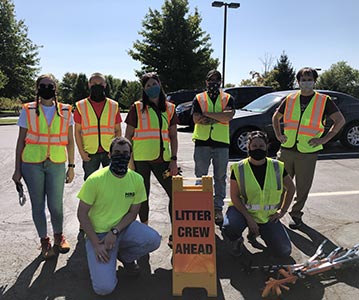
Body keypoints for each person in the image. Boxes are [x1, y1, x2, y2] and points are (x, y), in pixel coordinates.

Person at [77, 137, 161, 296]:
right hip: (98, 235)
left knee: (154, 239)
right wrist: (96, 243)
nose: (121, 156)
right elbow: (81, 213)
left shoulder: (136, 179)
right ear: (109, 155)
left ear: (130, 155)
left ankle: (125, 256)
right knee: (103, 289)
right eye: (116, 152)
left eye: (125, 153)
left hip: (122, 228)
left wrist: (115, 232)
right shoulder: (95, 179)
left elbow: (133, 213)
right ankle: (101, 260)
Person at [272, 67, 345, 229]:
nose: (306, 82)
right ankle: (275, 213)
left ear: (314, 81)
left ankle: (296, 215)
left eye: (309, 79)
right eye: (303, 80)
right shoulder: (290, 99)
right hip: (287, 149)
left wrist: (324, 139)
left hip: (308, 151)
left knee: (303, 187)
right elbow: (275, 118)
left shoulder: (324, 100)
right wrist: (278, 135)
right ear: (298, 82)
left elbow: (340, 121)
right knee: (279, 184)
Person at [12, 74, 75, 259]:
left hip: (56, 162)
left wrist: (71, 166)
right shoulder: (28, 110)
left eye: (50, 85)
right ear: (37, 88)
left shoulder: (65, 111)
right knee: (38, 205)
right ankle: (44, 241)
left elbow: (70, 141)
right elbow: (20, 141)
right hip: (31, 164)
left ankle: (59, 236)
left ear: (56, 88)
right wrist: (17, 170)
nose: (47, 88)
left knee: (56, 205)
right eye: (43, 85)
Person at [222, 131, 295, 257]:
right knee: (229, 227)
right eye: (254, 146)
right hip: (243, 213)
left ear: (267, 146)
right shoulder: (239, 168)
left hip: (267, 217)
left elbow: (291, 188)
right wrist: (249, 219)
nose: (258, 149)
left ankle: (256, 233)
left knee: (284, 251)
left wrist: (282, 211)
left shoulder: (277, 166)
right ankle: (237, 240)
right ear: (248, 146)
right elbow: (234, 197)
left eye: (261, 146)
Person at [125, 72, 179, 227]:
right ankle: (144, 229)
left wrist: (174, 160)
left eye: (154, 84)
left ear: (160, 84)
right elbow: (128, 135)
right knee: (143, 197)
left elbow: (174, 136)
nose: (152, 87)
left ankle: (175, 233)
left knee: (174, 195)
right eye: (148, 85)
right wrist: (130, 161)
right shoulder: (137, 108)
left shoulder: (170, 108)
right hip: (141, 160)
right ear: (144, 89)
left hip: (163, 160)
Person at [191, 70, 235, 225]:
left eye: (217, 80)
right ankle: (201, 207)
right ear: (206, 81)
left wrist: (207, 115)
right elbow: (196, 118)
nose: (214, 83)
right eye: (211, 80)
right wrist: (219, 116)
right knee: (201, 177)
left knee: (220, 178)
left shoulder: (228, 98)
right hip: (202, 143)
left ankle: (217, 209)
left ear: (221, 82)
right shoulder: (198, 98)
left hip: (221, 144)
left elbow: (228, 116)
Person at [74, 72, 122, 181]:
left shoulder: (113, 105)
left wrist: (115, 150)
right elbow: (77, 132)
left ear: (105, 85)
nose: (97, 85)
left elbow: (118, 130)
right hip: (90, 153)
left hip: (109, 153)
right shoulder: (81, 106)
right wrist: (81, 152)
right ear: (89, 85)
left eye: (100, 83)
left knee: (112, 182)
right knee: (91, 185)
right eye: (94, 83)